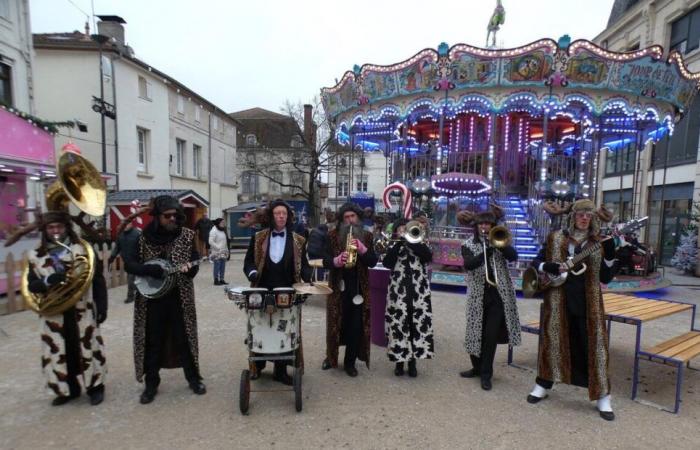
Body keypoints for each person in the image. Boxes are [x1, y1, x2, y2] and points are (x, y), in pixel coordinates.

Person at [526, 199, 618, 421]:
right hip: (558, 299)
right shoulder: (555, 237)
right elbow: (535, 261)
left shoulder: (600, 242)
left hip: (589, 302)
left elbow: (606, 277)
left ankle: (603, 396)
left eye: (588, 214)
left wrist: (610, 255)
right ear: (572, 217)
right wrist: (545, 266)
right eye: (580, 214)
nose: (584, 218)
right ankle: (543, 384)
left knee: (594, 346)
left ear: (594, 217)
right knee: (552, 341)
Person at [124, 195, 206, 404]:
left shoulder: (187, 235)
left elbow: (194, 264)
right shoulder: (142, 238)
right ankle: (151, 383)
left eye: (175, 216)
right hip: (151, 300)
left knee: (184, 338)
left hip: (179, 297)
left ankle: (193, 378)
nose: (173, 219)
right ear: (157, 216)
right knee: (153, 340)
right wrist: (149, 269)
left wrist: (190, 270)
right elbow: (129, 265)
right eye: (167, 216)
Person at [25, 211, 108, 406]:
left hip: (82, 309)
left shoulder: (82, 249)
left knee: (88, 346)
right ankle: (67, 389)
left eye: (59, 227)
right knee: (61, 350)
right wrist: (46, 280)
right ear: (45, 230)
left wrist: (102, 305)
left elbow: (97, 280)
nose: (55, 231)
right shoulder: (35, 255)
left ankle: (95, 387)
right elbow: (31, 286)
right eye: (51, 228)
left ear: (66, 228)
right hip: (54, 313)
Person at [243, 199, 312, 384]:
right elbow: (248, 261)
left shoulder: (298, 240)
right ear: (271, 217)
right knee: (260, 326)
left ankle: (280, 371)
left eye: (284, 213)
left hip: (287, 291)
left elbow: (303, 265)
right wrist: (251, 272)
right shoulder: (259, 237)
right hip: (262, 289)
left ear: (288, 217)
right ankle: (257, 366)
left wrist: (309, 279)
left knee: (285, 329)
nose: (281, 216)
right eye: (277, 213)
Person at [458, 207, 521, 391]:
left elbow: (514, 256)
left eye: (488, 224)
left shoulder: (500, 240)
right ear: (476, 226)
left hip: (498, 295)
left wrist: (500, 245)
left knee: (490, 336)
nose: (484, 227)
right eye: (481, 224)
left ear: (493, 225)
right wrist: (487, 252)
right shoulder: (468, 244)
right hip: (478, 294)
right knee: (474, 332)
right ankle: (476, 368)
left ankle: (486, 374)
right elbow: (469, 264)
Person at [322, 202, 378, 377]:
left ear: (358, 218)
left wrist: (363, 250)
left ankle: (350, 362)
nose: (350, 220)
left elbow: (373, 261)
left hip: (359, 289)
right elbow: (324, 260)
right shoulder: (331, 236)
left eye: (352, 216)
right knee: (334, 325)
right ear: (341, 220)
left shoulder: (367, 236)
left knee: (356, 327)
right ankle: (331, 358)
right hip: (338, 288)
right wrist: (336, 261)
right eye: (346, 217)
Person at [382, 218, 434, 377]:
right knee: (398, 325)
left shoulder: (421, 243)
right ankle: (399, 362)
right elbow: (387, 263)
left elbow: (427, 257)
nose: (404, 231)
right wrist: (399, 244)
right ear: (396, 231)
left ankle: (413, 362)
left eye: (407, 228)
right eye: (400, 229)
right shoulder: (393, 244)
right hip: (398, 292)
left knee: (415, 325)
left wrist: (412, 243)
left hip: (418, 291)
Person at [108, 221, 141, 303]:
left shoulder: (137, 234)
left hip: (136, 260)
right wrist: (112, 256)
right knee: (132, 279)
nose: (125, 226)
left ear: (131, 224)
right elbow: (117, 247)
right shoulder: (121, 235)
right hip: (127, 261)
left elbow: (143, 246)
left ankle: (130, 296)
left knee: (131, 279)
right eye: (124, 224)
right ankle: (137, 292)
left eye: (127, 224)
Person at [209, 218, 229, 285]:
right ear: (218, 223)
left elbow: (224, 241)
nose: (224, 224)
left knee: (222, 266)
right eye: (222, 223)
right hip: (216, 252)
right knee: (217, 266)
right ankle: (216, 280)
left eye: (224, 222)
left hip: (223, 252)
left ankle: (222, 279)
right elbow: (210, 241)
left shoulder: (222, 230)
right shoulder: (213, 230)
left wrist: (227, 250)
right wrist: (218, 247)